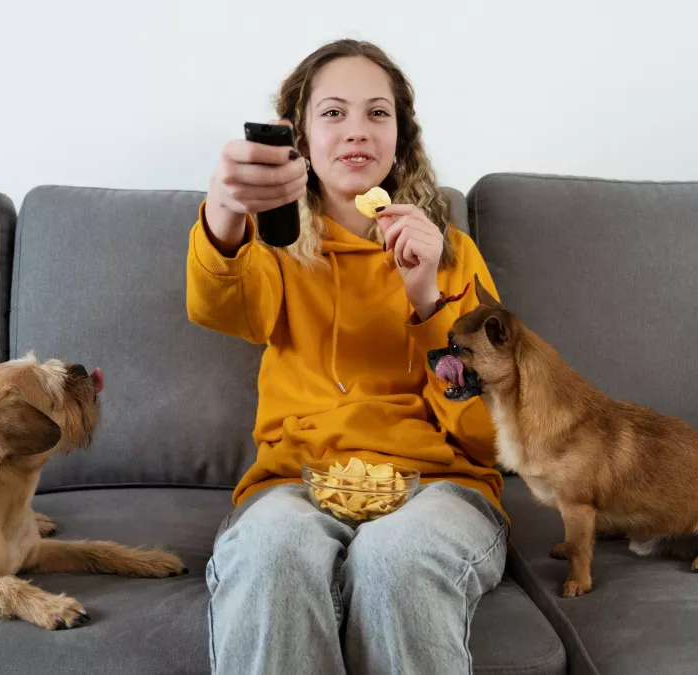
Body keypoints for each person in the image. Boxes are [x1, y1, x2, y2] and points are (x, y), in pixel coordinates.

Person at [186, 38, 508, 675]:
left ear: (401, 134)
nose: (356, 132)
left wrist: (427, 302)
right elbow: (223, 308)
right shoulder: (273, 244)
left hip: (438, 489)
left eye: (376, 113)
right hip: (294, 483)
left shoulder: (453, 254)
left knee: (395, 559)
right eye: (333, 113)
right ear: (299, 138)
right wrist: (225, 208)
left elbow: (492, 436)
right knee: (274, 552)